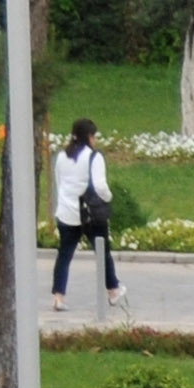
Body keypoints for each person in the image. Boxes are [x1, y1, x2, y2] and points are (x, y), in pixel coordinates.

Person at [50, 117, 122, 317]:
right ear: (89, 137)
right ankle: (113, 290)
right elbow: (99, 185)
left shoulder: (62, 157)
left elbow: (59, 183)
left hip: (66, 212)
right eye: (94, 136)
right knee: (102, 251)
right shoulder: (93, 157)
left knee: (64, 255)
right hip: (89, 213)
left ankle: (58, 296)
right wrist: (108, 197)